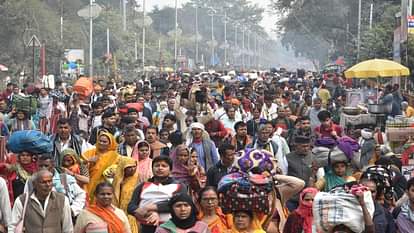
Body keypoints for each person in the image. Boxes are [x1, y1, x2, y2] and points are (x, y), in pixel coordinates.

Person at [127, 156, 188, 233]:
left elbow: (178, 204)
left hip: (170, 227)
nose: (160, 168)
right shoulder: (142, 185)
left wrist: (150, 207)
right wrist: (142, 211)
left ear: (170, 170)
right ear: (152, 169)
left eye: (164, 166)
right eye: (157, 166)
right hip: (146, 227)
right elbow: (131, 206)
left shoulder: (179, 186)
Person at [8, 170, 73, 233]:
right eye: (43, 182)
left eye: (50, 181)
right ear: (34, 184)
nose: (48, 185)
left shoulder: (62, 200)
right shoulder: (22, 200)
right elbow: (13, 226)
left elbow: (68, 228)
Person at [26, 154, 86, 219]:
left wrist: (73, 210)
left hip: (64, 217)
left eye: (46, 166)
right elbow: (27, 199)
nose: (43, 168)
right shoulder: (32, 180)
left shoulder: (65, 178)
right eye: (40, 166)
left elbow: (81, 194)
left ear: (52, 165)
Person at [82, 132, 120, 204]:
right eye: (100, 140)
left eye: (104, 142)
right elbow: (79, 167)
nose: (101, 143)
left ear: (110, 143)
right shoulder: (89, 153)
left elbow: (118, 170)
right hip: (89, 184)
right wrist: (87, 161)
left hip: (106, 186)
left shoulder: (115, 156)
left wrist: (113, 172)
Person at [112, 157, 139, 233]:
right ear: (122, 168)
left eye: (134, 166)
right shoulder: (117, 180)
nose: (132, 169)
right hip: (120, 211)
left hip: (133, 213)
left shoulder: (138, 178)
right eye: (129, 167)